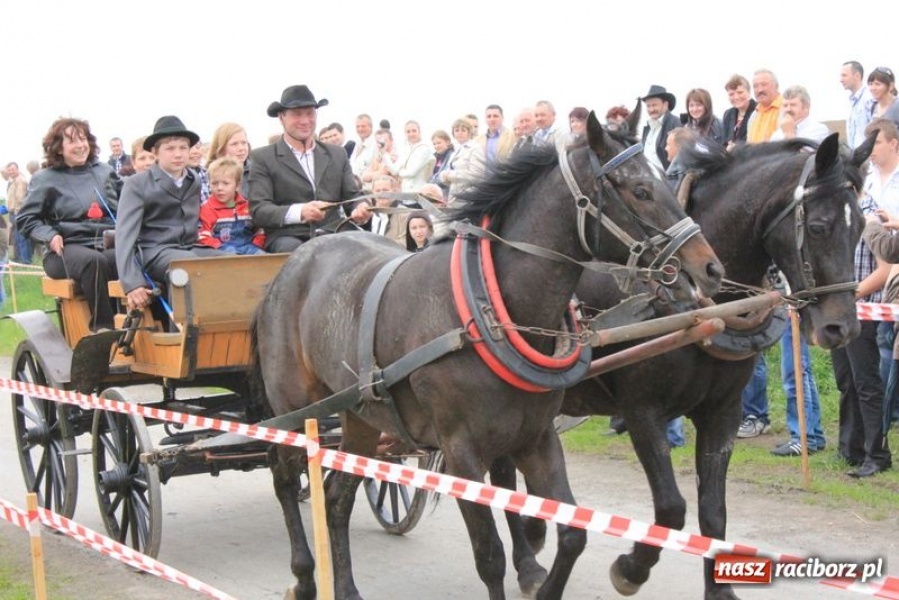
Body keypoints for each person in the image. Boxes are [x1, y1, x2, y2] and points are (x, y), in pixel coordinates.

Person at [829, 119, 894, 477]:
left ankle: (877, 454)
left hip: (866, 309)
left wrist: (850, 294)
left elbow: (884, 269)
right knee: (846, 380)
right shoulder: (842, 213)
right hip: (844, 308)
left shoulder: (869, 214)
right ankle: (850, 448)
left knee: (867, 383)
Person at [16, 117, 120, 330]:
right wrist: (49, 235)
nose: (81, 145)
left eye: (83, 139)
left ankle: (140, 323)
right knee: (94, 262)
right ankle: (104, 328)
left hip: (106, 243)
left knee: (129, 257)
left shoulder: (104, 171)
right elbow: (26, 219)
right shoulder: (45, 178)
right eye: (73, 141)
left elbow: (128, 203)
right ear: (58, 148)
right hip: (64, 250)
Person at [116, 115, 226, 312]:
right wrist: (132, 283)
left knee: (231, 263)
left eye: (183, 148)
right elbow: (124, 236)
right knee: (188, 267)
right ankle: (183, 329)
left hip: (189, 247)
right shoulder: (136, 184)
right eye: (170, 148)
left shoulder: (194, 179)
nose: (178, 154)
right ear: (155, 152)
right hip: (154, 251)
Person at [248, 84, 368, 254]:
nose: (305, 121)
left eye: (310, 113)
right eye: (297, 114)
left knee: (371, 248)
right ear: (281, 117)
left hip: (336, 232)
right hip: (289, 237)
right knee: (300, 255)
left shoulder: (337, 154)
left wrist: (360, 206)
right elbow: (260, 210)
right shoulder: (263, 157)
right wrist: (301, 212)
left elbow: (353, 196)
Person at [198, 157, 265, 255]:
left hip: (250, 246)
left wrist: (257, 244)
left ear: (237, 186)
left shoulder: (248, 206)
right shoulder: (207, 208)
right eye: (214, 183)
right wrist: (218, 246)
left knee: (262, 256)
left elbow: (260, 230)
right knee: (230, 255)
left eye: (225, 183)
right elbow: (203, 236)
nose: (219, 188)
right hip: (222, 248)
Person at [382, 121, 434, 193]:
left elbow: (411, 173)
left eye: (414, 131)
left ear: (419, 132)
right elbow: (394, 170)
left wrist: (399, 172)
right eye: (408, 132)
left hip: (419, 192)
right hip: (405, 192)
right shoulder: (406, 151)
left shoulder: (424, 149)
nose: (411, 134)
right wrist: (384, 153)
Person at [640, 85, 681, 170]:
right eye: (648, 106)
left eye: (654, 105)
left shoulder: (676, 123)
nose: (651, 109)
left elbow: (681, 157)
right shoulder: (647, 128)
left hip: (667, 177)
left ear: (665, 104)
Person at [440, 118, 479, 203]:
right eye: (457, 130)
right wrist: (443, 176)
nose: (460, 133)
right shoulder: (455, 150)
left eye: (463, 130)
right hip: (453, 195)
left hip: (468, 196)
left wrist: (451, 175)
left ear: (469, 132)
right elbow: (447, 171)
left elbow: (476, 175)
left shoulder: (475, 149)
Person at [206, 123, 251, 198]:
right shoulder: (208, 174)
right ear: (221, 148)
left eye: (244, 143)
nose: (241, 148)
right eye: (234, 144)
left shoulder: (257, 171)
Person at [363, 175, 408, 247]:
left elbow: (406, 242)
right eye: (378, 191)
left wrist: (379, 245)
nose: (382, 193)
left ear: (394, 191)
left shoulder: (405, 214)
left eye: (385, 190)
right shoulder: (368, 214)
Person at [842, 61, 874, 149]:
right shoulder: (852, 102)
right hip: (855, 154)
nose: (841, 79)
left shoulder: (868, 98)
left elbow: (875, 129)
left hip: (867, 154)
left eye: (844, 75)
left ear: (857, 76)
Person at [746, 69, 783, 143]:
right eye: (755, 86)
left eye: (764, 84)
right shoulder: (754, 115)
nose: (760, 90)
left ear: (776, 86)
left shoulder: (786, 109)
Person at [721, 74, 757, 149]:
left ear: (749, 92)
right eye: (731, 94)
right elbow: (724, 143)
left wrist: (736, 148)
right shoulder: (728, 114)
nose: (736, 97)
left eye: (740, 92)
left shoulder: (758, 111)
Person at [5, 161, 31, 263]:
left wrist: (17, 212)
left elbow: (20, 199)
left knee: (22, 237)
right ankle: (19, 258)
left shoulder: (21, 180)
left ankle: (25, 261)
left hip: (18, 212)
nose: (11, 171)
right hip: (14, 213)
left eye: (13, 169)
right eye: (9, 170)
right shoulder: (14, 181)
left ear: (17, 169)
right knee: (17, 237)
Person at [351, 113, 377, 186]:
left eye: (363, 126)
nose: (360, 129)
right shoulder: (357, 145)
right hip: (354, 187)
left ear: (371, 127)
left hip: (369, 188)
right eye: (358, 126)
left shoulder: (376, 145)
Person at [429, 130, 453, 196]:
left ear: (448, 142)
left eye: (439, 143)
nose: (436, 146)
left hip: (446, 194)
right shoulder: (434, 157)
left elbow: (445, 177)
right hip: (434, 193)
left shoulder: (452, 156)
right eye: (434, 144)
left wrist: (431, 182)